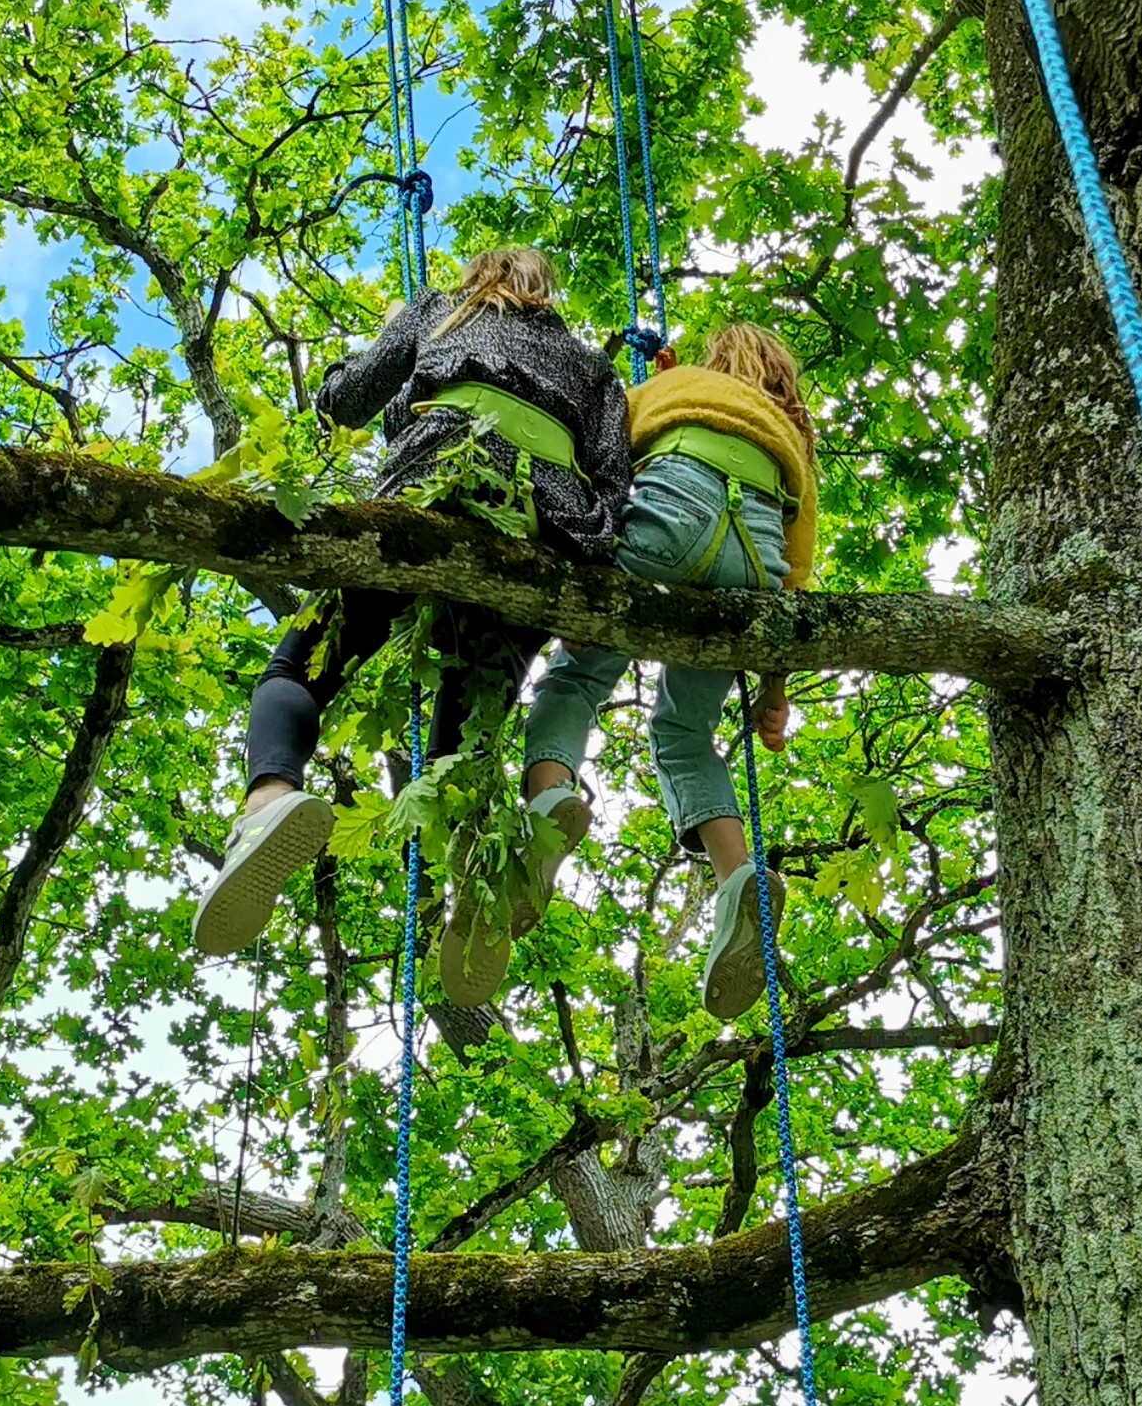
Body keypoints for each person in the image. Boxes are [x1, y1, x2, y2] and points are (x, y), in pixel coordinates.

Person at [191, 248, 631, 1002]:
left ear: (478, 278)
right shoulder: (594, 368)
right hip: (539, 528)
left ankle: (268, 802)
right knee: (465, 728)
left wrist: (362, 355)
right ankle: (482, 885)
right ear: (545, 293)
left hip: (431, 480)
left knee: (299, 665)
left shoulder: (439, 310)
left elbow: (344, 403)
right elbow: (613, 484)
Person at [518, 323, 818, 1020]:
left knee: (576, 679)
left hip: (668, 523)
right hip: (754, 567)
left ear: (712, 360)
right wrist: (772, 688)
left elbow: (605, 462)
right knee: (684, 732)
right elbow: (799, 572)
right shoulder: (788, 435)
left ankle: (549, 800)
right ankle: (736, 875)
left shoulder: (674, 385)